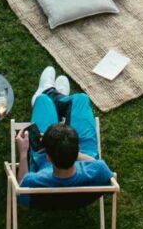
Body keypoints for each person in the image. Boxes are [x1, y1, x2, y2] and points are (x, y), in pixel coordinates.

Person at [18, 66, 114, 203]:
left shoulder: (34, 181)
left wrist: (22, 153)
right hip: (86, 155)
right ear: (77, 148)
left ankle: (48, 92)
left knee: (43, 100)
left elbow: (22, 197)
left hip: (45, 165)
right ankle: (57, 95)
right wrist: (72, 152)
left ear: (49, 157)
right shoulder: (99, 171)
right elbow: (108, 177)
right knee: (81, 99)